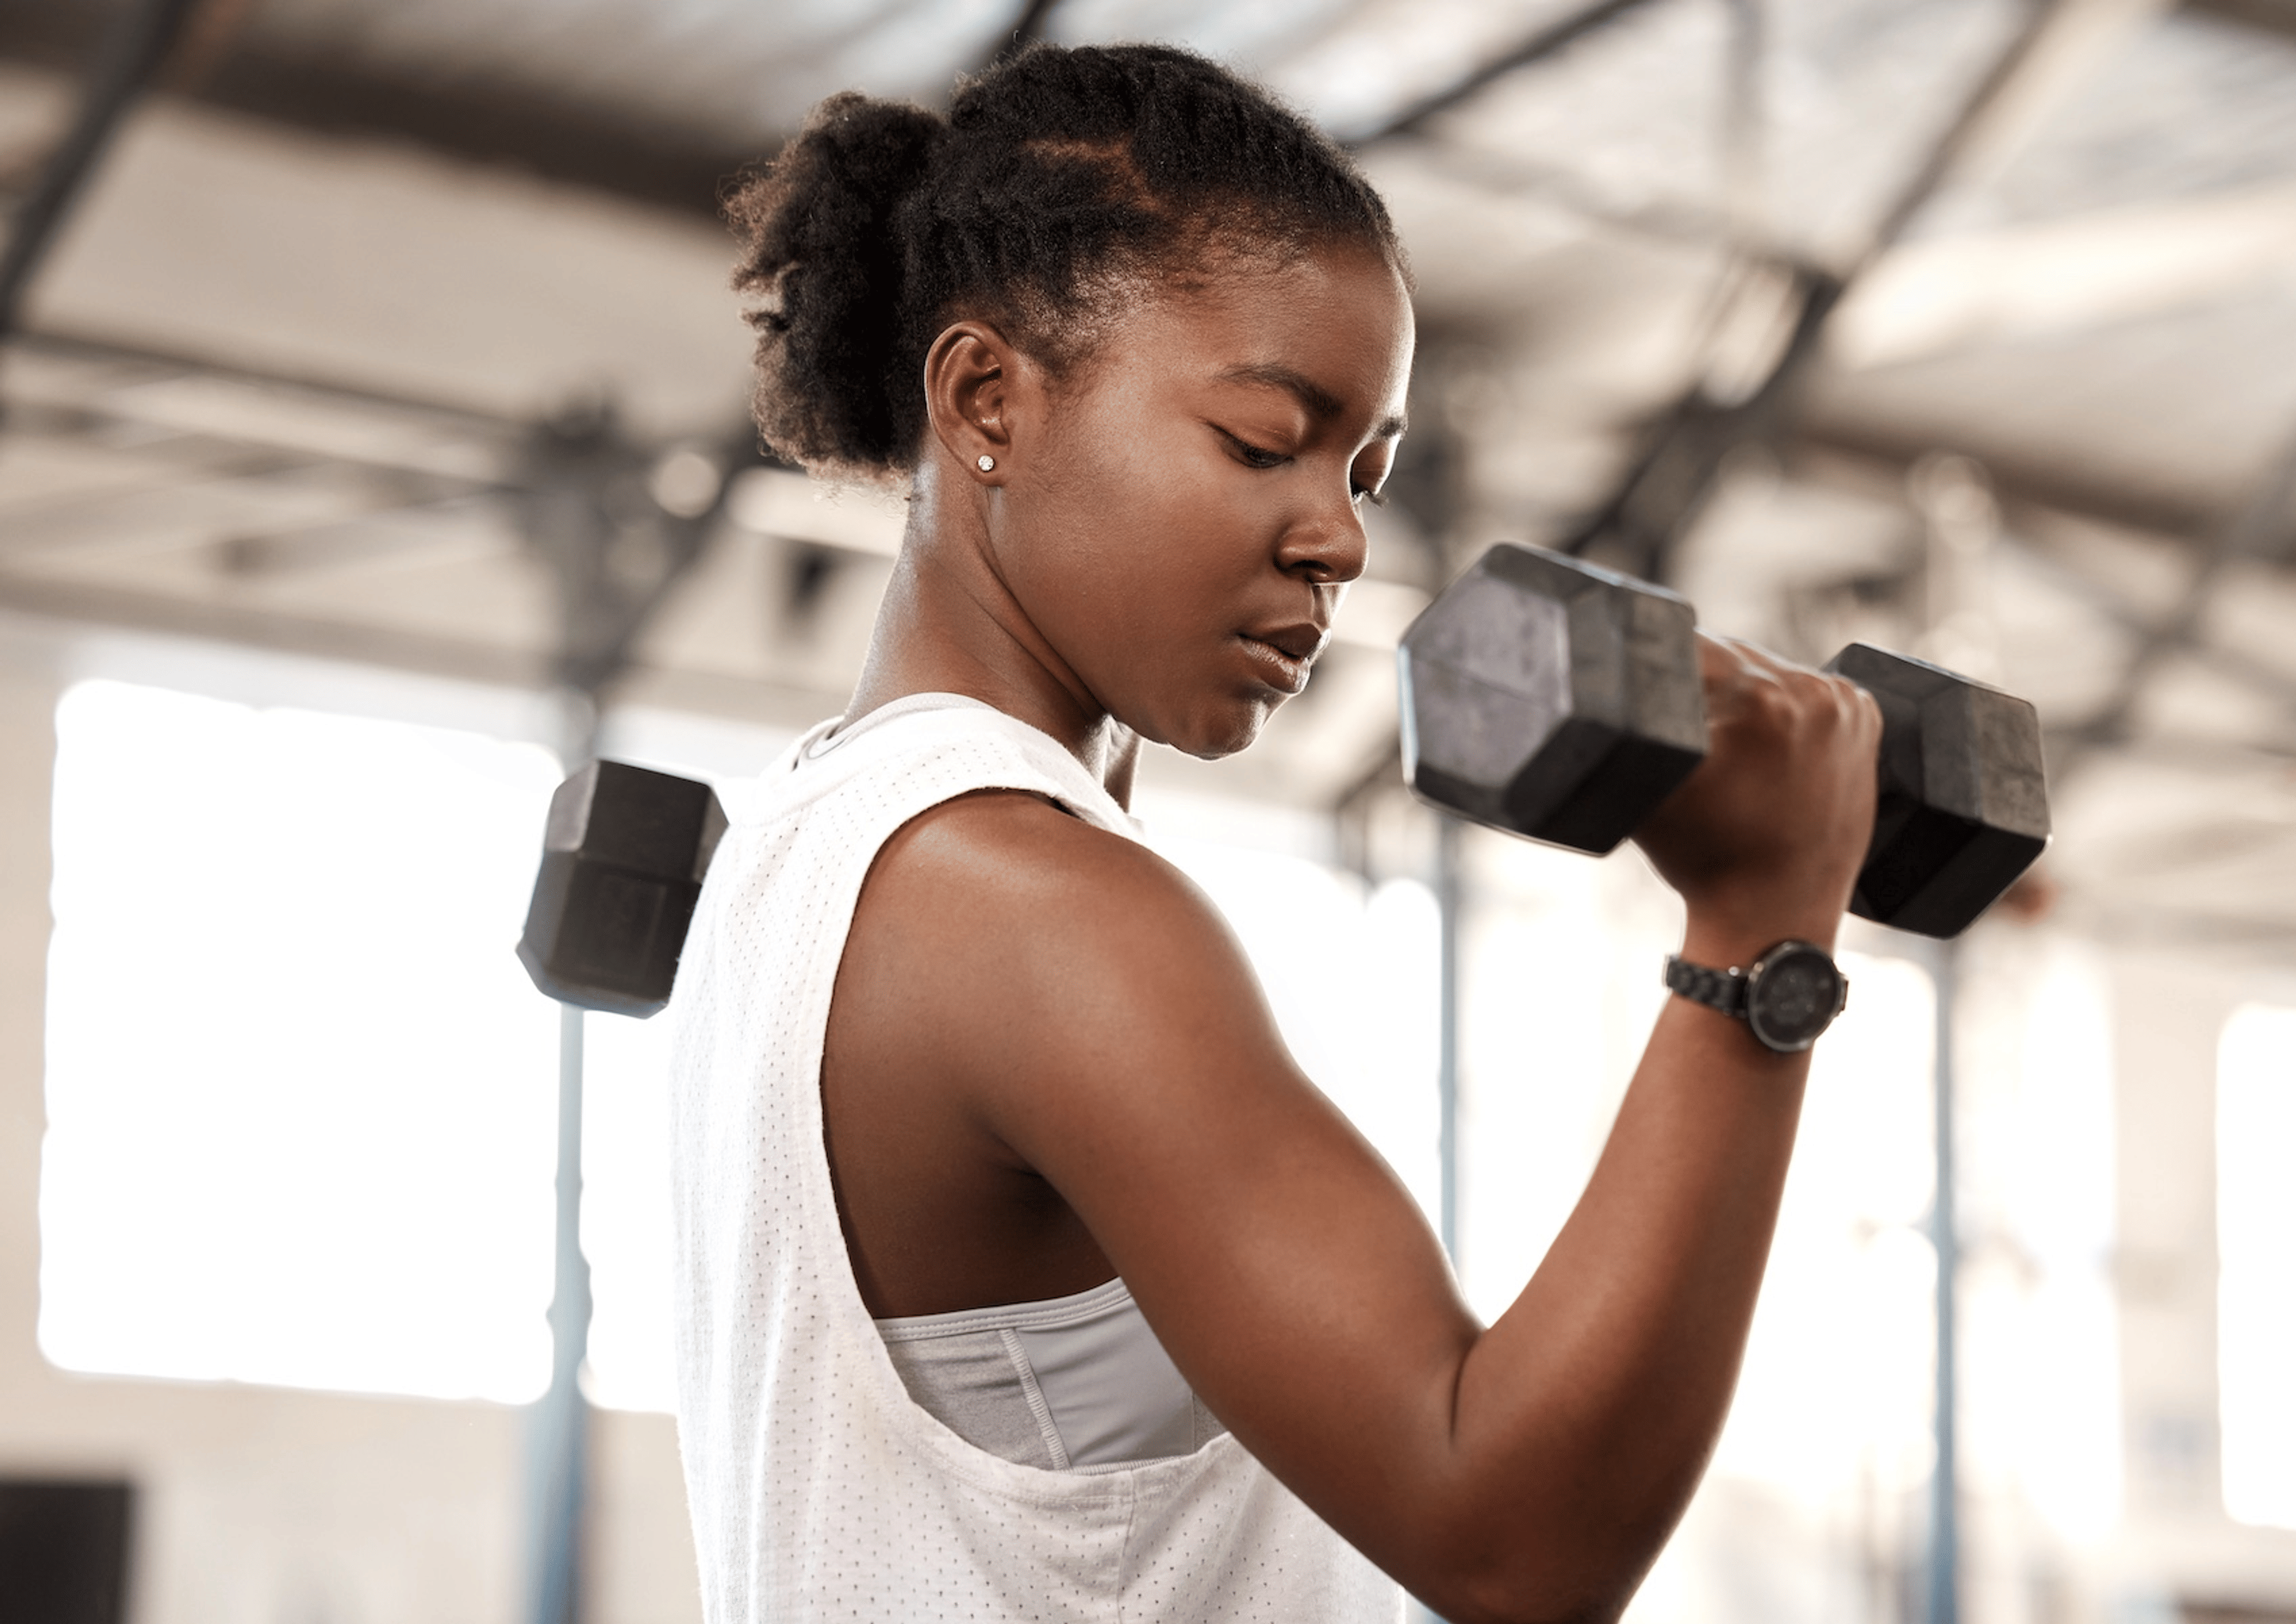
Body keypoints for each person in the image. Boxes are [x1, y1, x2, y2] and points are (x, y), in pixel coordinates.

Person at [667, 41, 1881, 1624]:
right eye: (1260, 441)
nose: (1339, 539)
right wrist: (1760, 938)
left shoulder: (797, 848)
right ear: (985, 400)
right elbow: (1515, 1537)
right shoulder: (1029, 906)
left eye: (1363, 467)